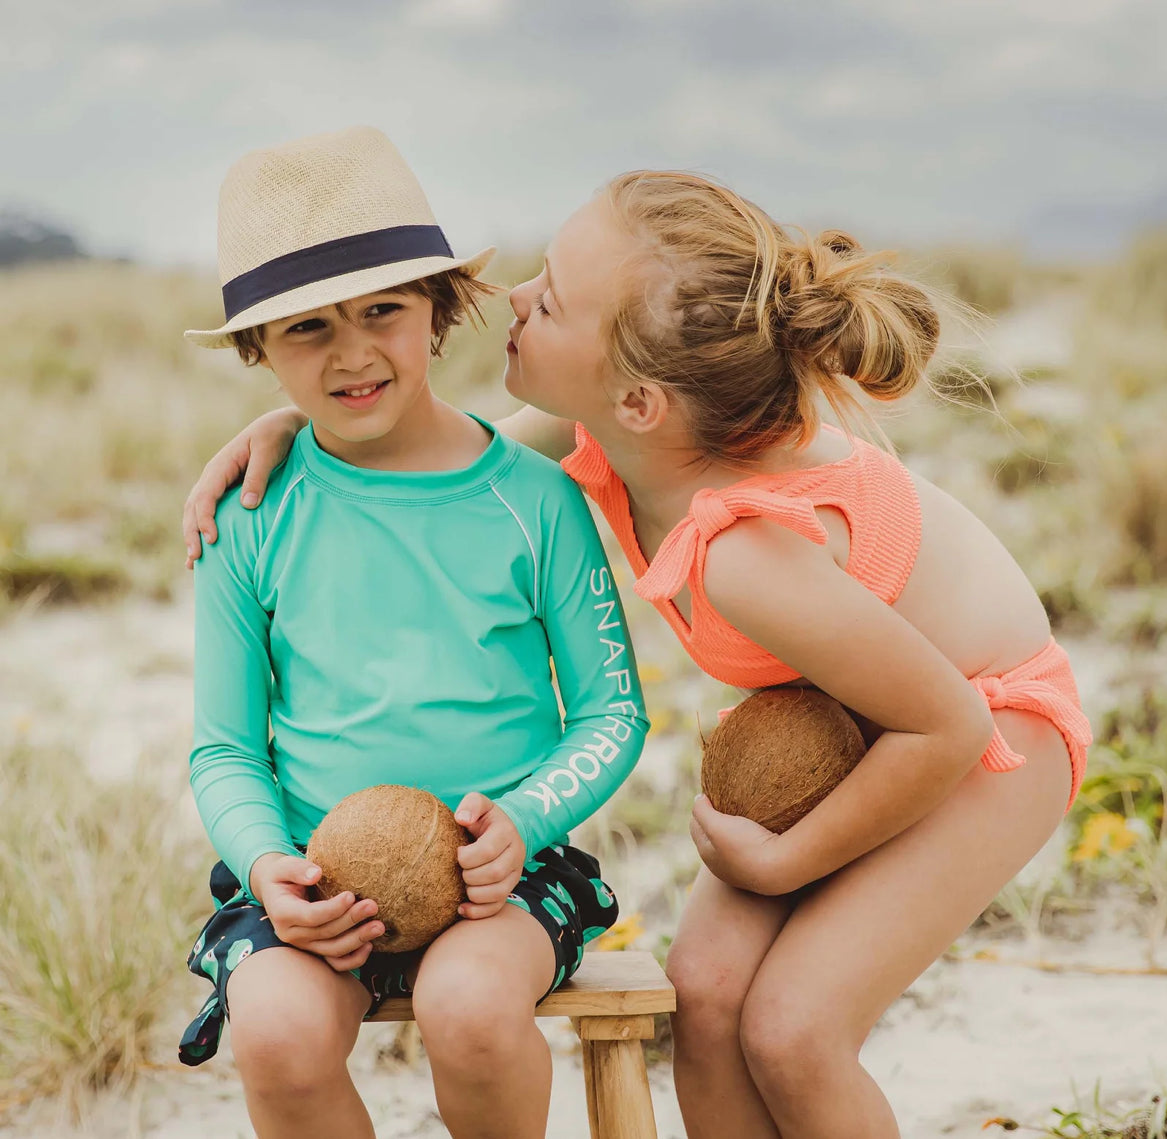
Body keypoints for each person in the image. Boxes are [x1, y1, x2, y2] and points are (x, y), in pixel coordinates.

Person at [184, 168, 1091, 1139]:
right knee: (702, 989)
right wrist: (294, 418)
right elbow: (431, 456)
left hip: (986, 726)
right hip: (858, 714)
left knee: (792, 1028)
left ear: (640, 398)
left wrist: (786, 862)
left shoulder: (742, 553)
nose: (517, 297)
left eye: (554, 295)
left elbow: (943, 723)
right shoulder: (599, 427)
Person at [177, 126, 648, 1139]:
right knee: (277, 1035)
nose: (352, 352)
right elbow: (222, 746)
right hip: (309, 875)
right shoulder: (248, 517)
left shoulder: (536, 500)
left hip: (510, 876)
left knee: (470, 1010)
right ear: (258, 349)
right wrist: (268, 868)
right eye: (306, 328)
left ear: (438, 304)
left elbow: (612, 712)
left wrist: (522, 816)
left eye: (381, 310)